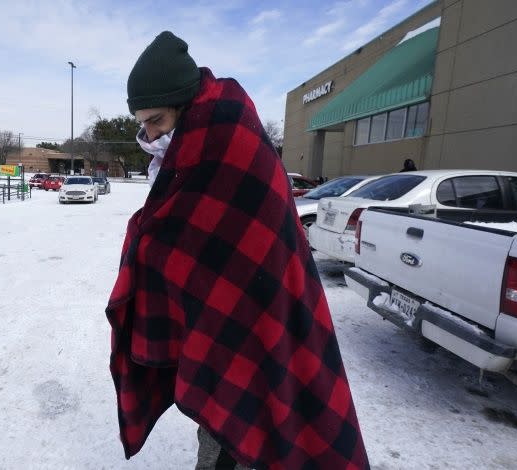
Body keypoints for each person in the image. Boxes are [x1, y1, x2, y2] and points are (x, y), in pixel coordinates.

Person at [105, 31, 369, 469]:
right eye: (141, 123)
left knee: (260, 426)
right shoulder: (188, 149)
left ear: (183, 104)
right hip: (220, 316)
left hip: (265, 307)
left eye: (155, 120)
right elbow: (182, 235)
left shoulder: (228, 141)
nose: (146, 133)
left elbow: (223, 233)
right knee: (223, 417)